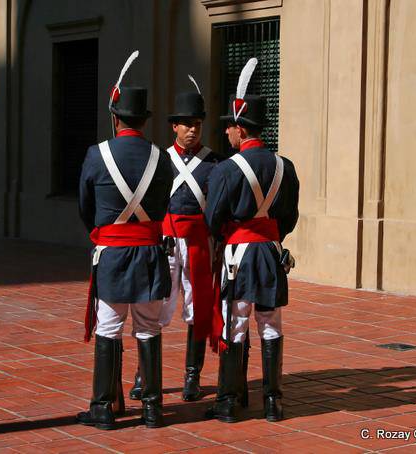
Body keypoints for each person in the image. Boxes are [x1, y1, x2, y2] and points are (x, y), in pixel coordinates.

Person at [76, 51, 172, 430]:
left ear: (115, 118)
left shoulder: (96, 155)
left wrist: (104, 232)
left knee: (109, 326)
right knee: (149, 328)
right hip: (149, 253)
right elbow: (162, 206)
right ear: (142, 120)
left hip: (113, 254)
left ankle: (103, 408)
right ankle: (152, 408)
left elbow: (86, 206)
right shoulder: (161, 158)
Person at [205, 58, 300, 423]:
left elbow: (214, 218)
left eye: (230, 126)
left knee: (237, 323)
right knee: (272, 323)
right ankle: (273, 402)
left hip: (240, 254)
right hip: (271, 253)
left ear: (241, 129)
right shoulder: (284, 166)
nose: (227, 132)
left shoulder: (227, 169)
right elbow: (289, 217)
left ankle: (229, 401)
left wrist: (227, 237)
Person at [128, 77, 221, 403]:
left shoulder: (215, 162)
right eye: (186, 125)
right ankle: (144, 373)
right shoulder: (159, 160)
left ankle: (192, 376)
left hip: (197, 242)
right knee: (154, 308)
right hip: (165, 240)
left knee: (198, 308)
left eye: (197, 124)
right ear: (174, 128)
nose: (192, 130)